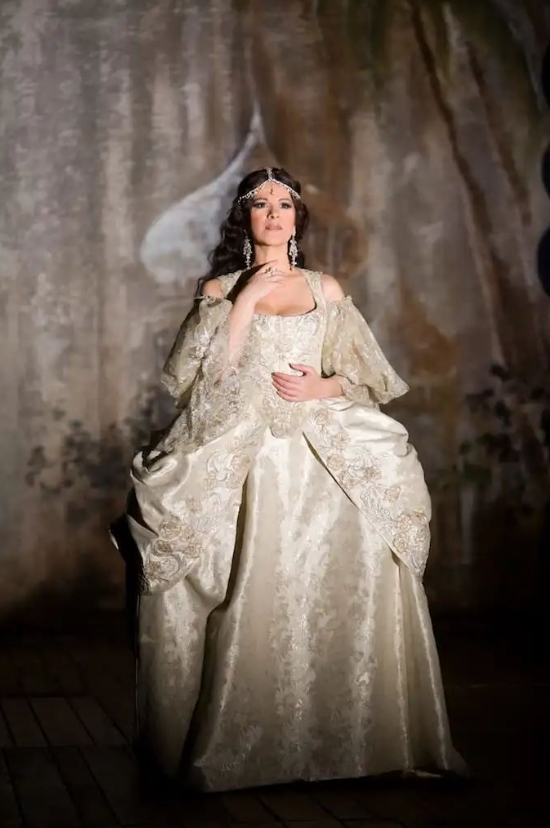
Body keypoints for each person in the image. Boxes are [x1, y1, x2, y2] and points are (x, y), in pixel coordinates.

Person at [110, 166, 467, 792]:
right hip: (246, 450)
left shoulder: (325, 289)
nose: (273, 214)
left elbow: (364, 375)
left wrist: (323, 387)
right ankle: (245, 747)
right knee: (246, 577)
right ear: (243, 218)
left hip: (322, 449)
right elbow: (203, 381)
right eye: (260, 204)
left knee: (343, 575)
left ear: (298, 218)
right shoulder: (220, 289)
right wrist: (245, 301)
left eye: (284, 204)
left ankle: (353, 741)